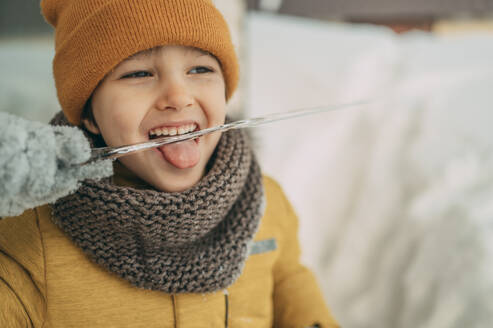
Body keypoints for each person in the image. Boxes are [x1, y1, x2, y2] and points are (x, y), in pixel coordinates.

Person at [0, 0, 339, 327]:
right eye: (138, 73)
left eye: (200, 69)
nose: (178, 96)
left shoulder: (267, 202)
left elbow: (291, 285)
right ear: (90, 115)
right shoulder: (31, 234)